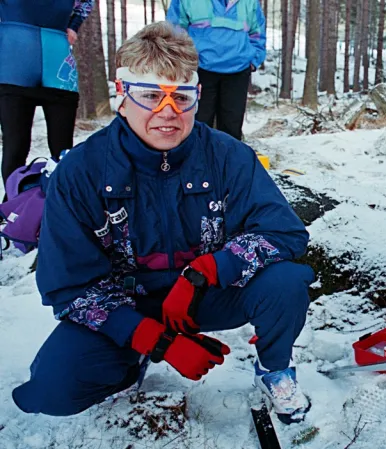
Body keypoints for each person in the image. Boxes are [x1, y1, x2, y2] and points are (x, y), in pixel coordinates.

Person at [12, 22, 315, 425]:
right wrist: (153, 340)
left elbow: (285, 232)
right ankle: (130, 360)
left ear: (198, 96)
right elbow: (69, 287)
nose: (167, 113)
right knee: (51, 390)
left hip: (207, 294)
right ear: (122, 96)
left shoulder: (229, 156)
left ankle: (275, 368)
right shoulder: (81, 172)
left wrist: (207, 270)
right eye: (151, 96)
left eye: (181, 97)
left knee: (286, 282)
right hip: (128, 304)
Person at [0, 0, 92, 188]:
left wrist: (74, 26)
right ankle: (11, 210)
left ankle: (63, 209)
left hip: (57, 60)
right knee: (15, 148)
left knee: (63, 152)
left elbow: (86, 2)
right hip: (13, 59)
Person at [167, 0, 266, 141]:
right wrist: (183, 61)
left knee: (232, 127)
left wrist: (253, 60)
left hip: (238, 71)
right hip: (199, 70)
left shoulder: (250, 2)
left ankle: (229, 161)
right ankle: (195, 161)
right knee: (197, 123)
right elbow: (174, 30)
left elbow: (257, 32)